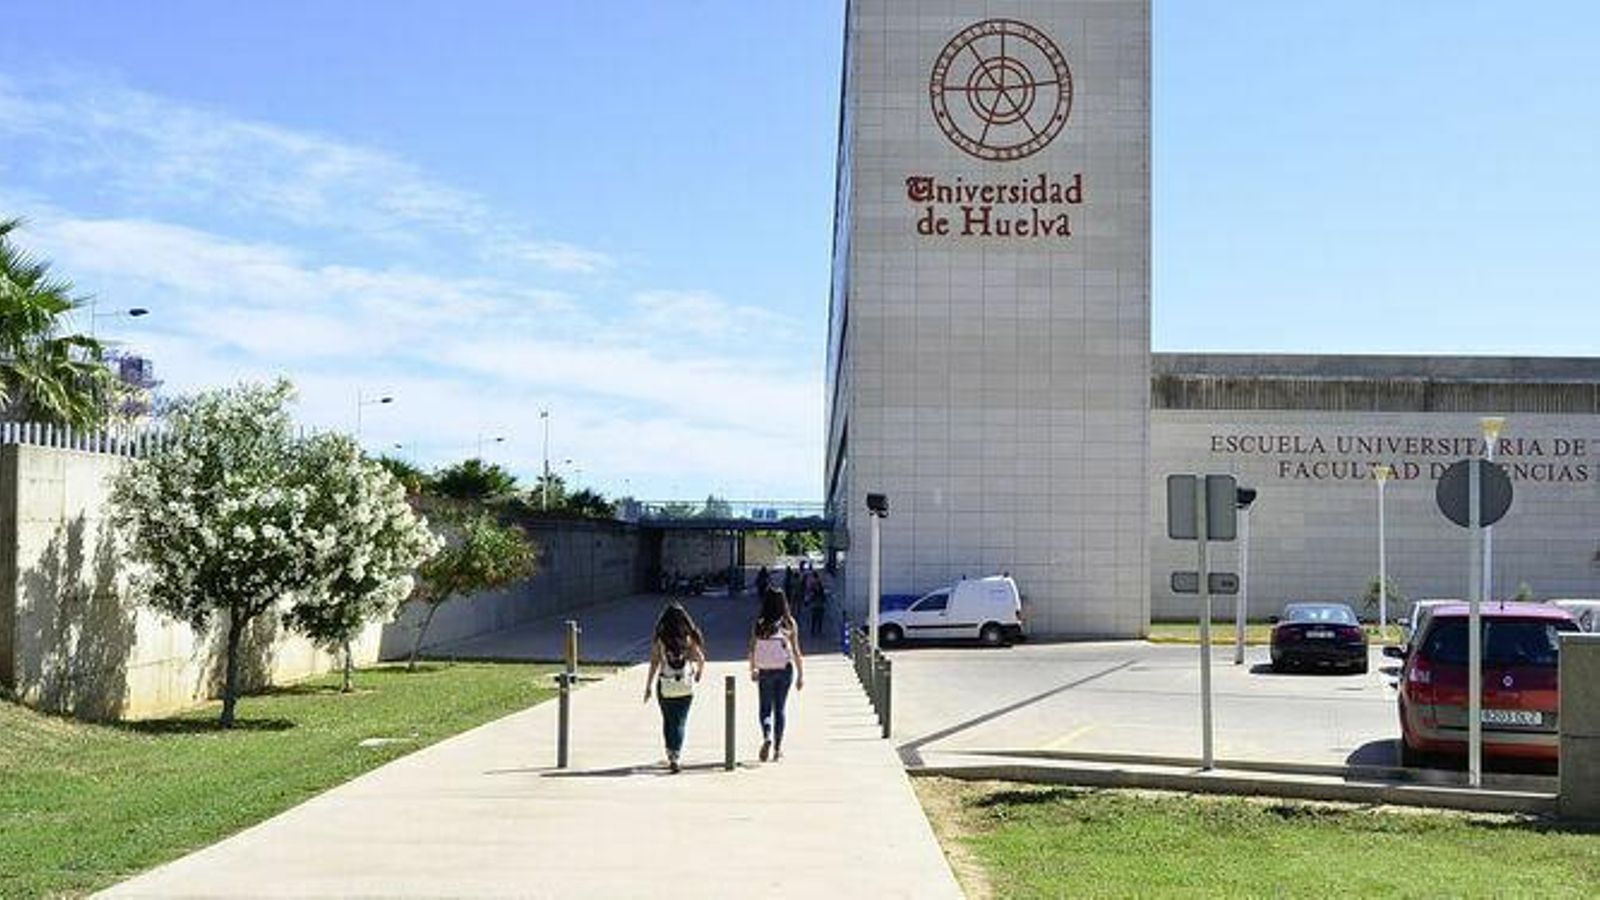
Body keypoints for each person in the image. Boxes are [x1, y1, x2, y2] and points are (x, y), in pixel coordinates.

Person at [643, 602, 707, 773]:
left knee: (668, 720)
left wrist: (648, 686)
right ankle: (676, 756)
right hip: (685, 685)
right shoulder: (688, 637)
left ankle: (669, 753)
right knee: (680, 721)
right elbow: (701, 658)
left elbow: (654, 662)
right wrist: (699, 673)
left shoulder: (661, 638)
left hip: (665, 684)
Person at [749, 587, 804, 761]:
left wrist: (753, 669)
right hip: (784, 669)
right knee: (779, 708)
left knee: (765, 708)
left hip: (765, 669)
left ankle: (767, 736)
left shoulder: (760, 623)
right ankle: (778, 749)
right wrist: (801, 675)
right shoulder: (789, 623)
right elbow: (796, 651)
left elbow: (752, 649)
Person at [806, 572, 827, 638]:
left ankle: (817, 630)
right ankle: (815, 630)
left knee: (818, 619)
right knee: (815, 619)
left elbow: (823, 599)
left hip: (818, 607)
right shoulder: (817, 592)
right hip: (817, 606)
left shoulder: (817, 592)